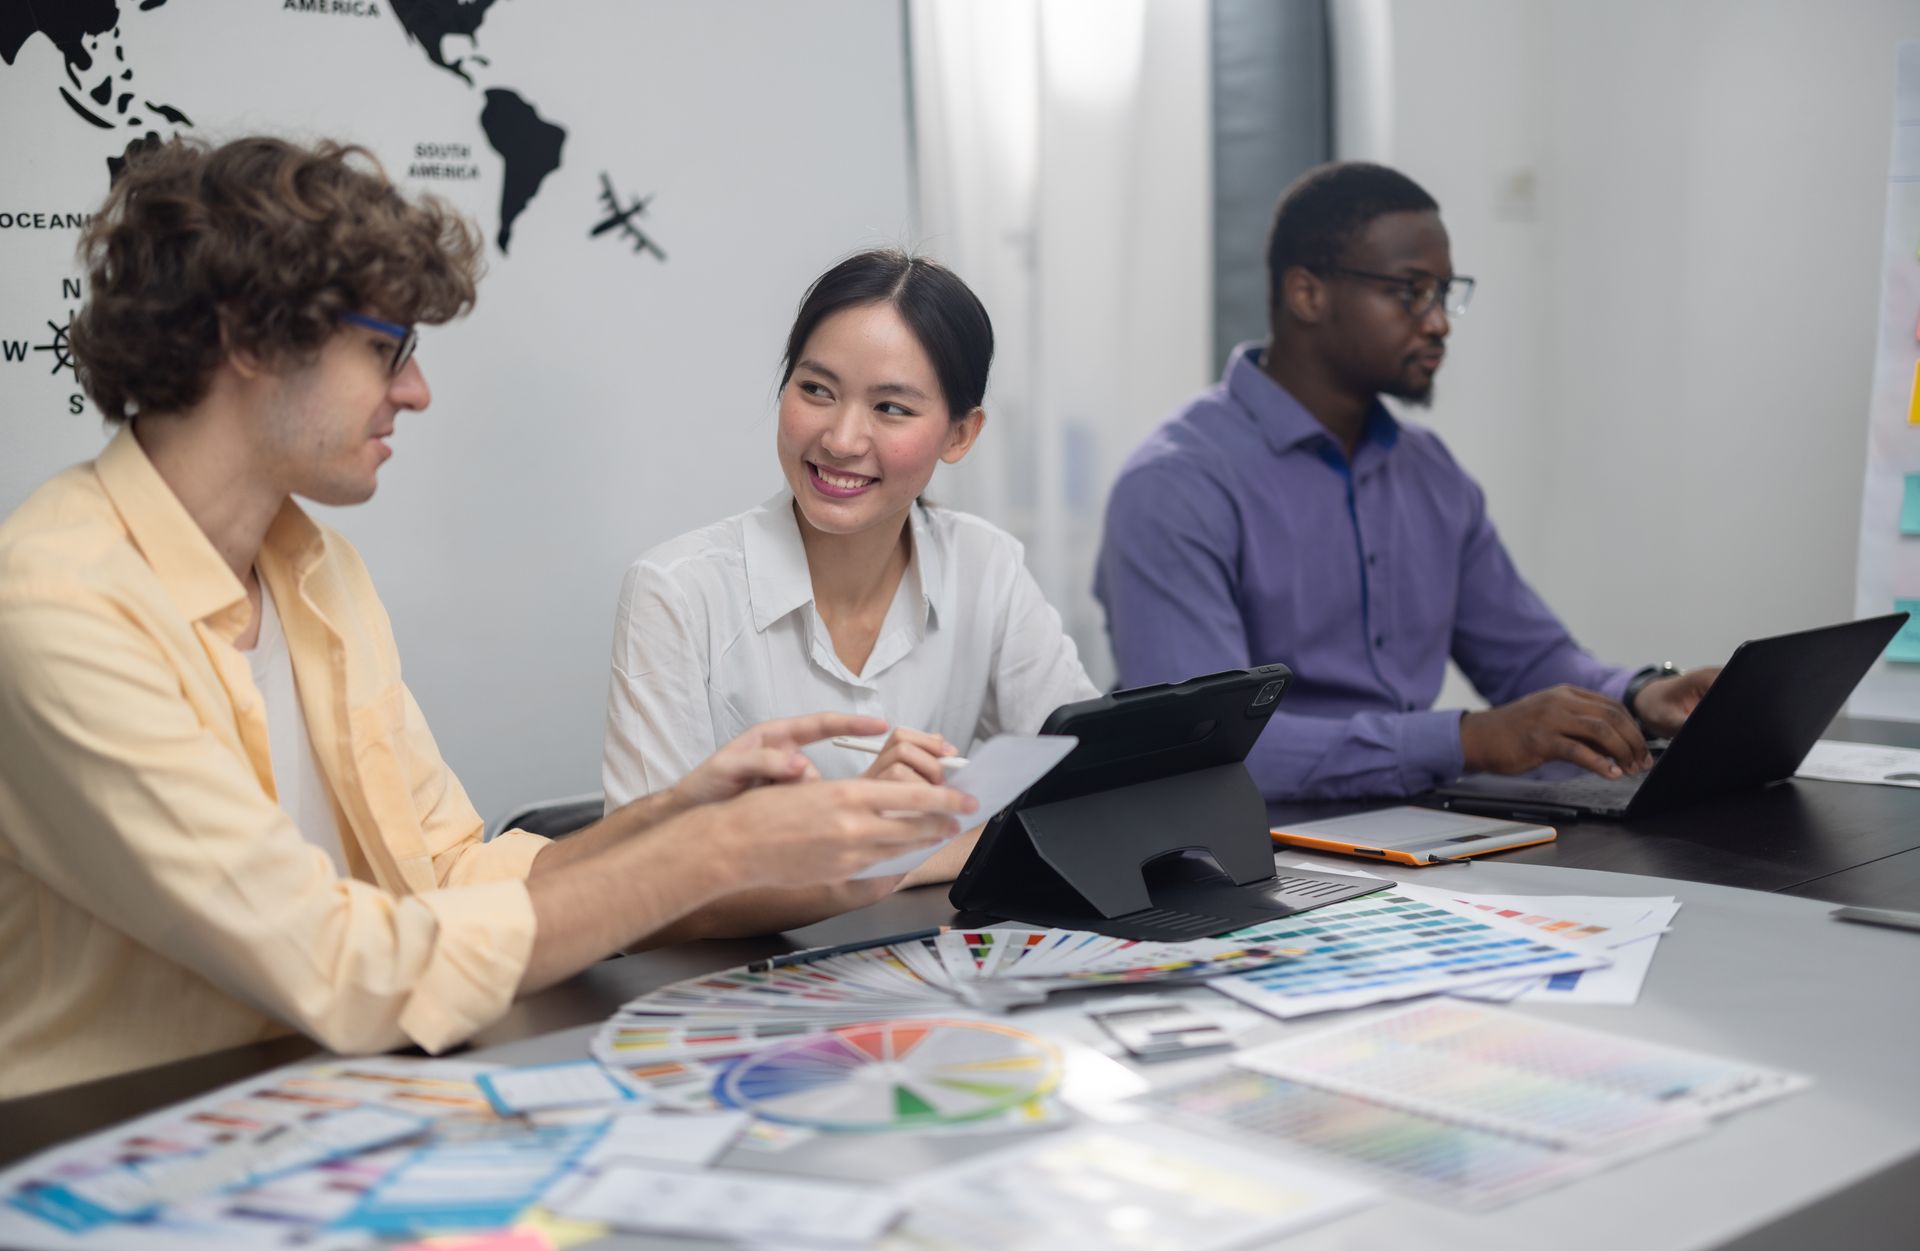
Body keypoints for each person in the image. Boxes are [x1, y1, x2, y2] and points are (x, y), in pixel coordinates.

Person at [0, 138, 973, 1098]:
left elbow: (449, 874)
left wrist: (683, 812)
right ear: (250, 341)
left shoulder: (314, 568)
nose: (415, 392)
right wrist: (714, 853)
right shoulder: (59, 608)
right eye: (387, 350)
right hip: (108, 1137)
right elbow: (348, 966)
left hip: (323, 1100)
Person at [1095, 162, 1716, 801]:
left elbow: (1528, 661)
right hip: (1261, 852)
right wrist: (1465, 741)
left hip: (1421, 825)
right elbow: (1200, 748)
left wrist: (1642, 695)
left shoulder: (1429, 471)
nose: (1439, 322)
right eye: (1410, 291)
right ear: (1307, 294)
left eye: (1445, 293)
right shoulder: (1175, 485)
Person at [602, 249, 1097, 910]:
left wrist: (899, 851)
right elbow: (642, 878)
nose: (840, 438)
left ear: (960, 433)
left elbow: (1093, 784)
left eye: (891, 407)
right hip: (735, 985)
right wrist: (879, 838)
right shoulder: (675, 592)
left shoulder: (987, 566)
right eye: (816, 390)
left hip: (924, 967)